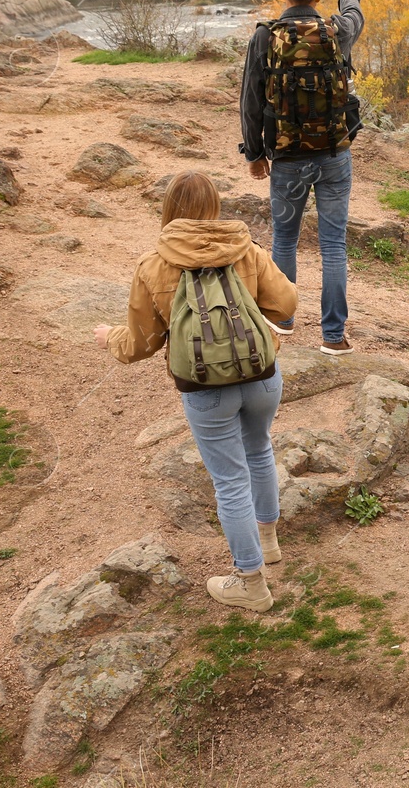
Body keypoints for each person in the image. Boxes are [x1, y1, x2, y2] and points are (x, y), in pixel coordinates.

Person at [95, 172, 298, 610]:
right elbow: (286, 305)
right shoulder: (247, 249)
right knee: (259, 450)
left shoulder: (154, 264)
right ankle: (269, 543)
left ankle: (251, 583)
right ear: (214, 207)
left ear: (168, 209)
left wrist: (109, 336)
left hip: (206, 389)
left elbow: (140, 345)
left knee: (229, 481)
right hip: (262, 375)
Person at [239, 0, 364, 357]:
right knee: (333, 245)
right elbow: (355, 17)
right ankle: (333, 336)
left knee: (285, 240)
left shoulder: (265, 37)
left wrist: (255, 154)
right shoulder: (335, 31)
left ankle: (281, 322)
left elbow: (251, 102)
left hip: (288, 157)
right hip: (334, 155)